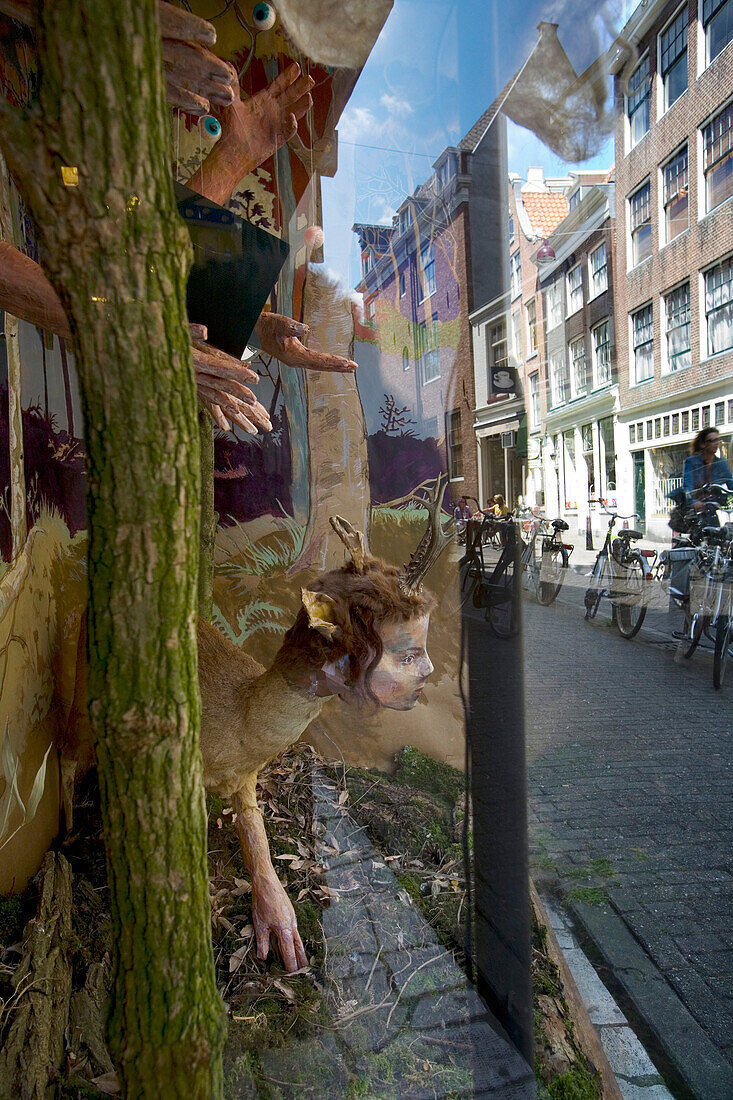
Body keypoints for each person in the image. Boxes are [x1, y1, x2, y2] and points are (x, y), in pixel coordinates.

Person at [683, 429, 733, 515]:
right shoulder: (691, 462)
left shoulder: (721, 463)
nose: (716, 443)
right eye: (712, 440)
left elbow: (731, 483)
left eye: (717, 440)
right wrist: (693, 502)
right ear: (703, 444)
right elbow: (688, 485)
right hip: (695, 508)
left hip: (713, 507)